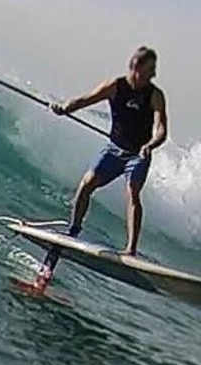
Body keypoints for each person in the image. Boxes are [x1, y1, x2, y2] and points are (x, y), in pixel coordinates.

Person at [32, 46, 168, 292]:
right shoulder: (115, 86)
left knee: (132, 190)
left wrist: (151, 144)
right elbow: (85, 100)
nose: (152, 75)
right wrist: (64, 108)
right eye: (148, 71)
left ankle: (131, 249)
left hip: (138, 154)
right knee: (87, 183)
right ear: (135, 68)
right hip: (114, 151)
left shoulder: (155, 95)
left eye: (153, 71)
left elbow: (161, 129)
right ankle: (74, 228)